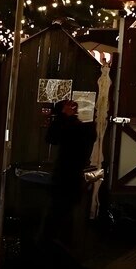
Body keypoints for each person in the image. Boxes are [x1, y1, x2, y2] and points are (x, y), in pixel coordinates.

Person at [40, 98, 95, 255]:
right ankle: (58, 243)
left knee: (60, 210)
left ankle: (54, 242)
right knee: (62, 210)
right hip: (68, 173)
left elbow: (53, 137)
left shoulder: (75, 127)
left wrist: (65, 117)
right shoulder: (73, 126)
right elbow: (53, 137)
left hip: (67, 173)